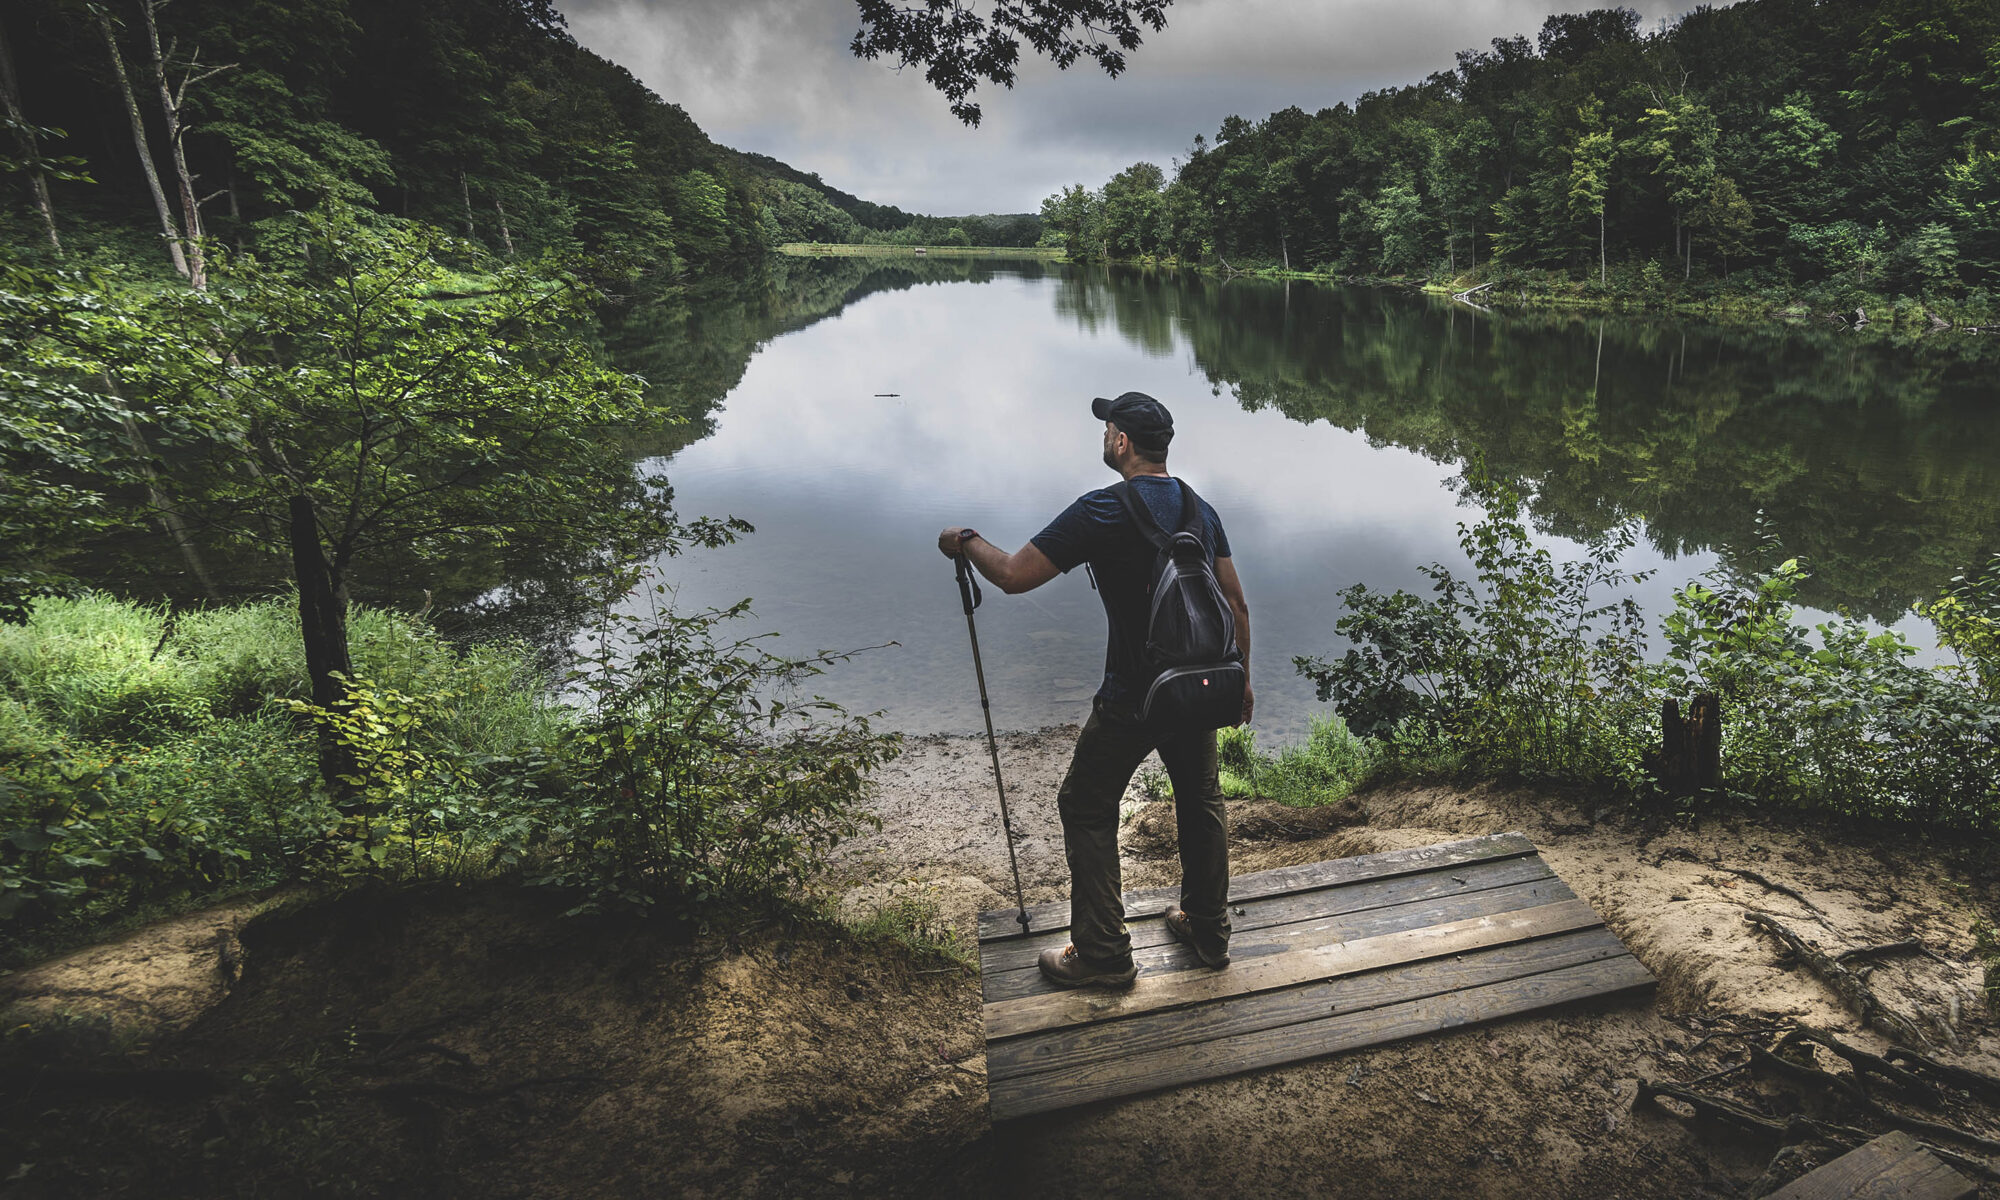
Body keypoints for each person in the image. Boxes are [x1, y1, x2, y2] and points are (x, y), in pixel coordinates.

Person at [937, 391, 1251, 989]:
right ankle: (1209, 931)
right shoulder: (1199, 509)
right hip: (1196, 689)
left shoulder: (1100, 511)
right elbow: (1235, 602)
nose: (1104, 438)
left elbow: (1011, 576)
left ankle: (1104, 953)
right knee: (1201, 801)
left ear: (1122, 443)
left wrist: (965, 539)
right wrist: (1242, 684)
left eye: (1107, 430)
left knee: (1084, 804)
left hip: (1132, 698)